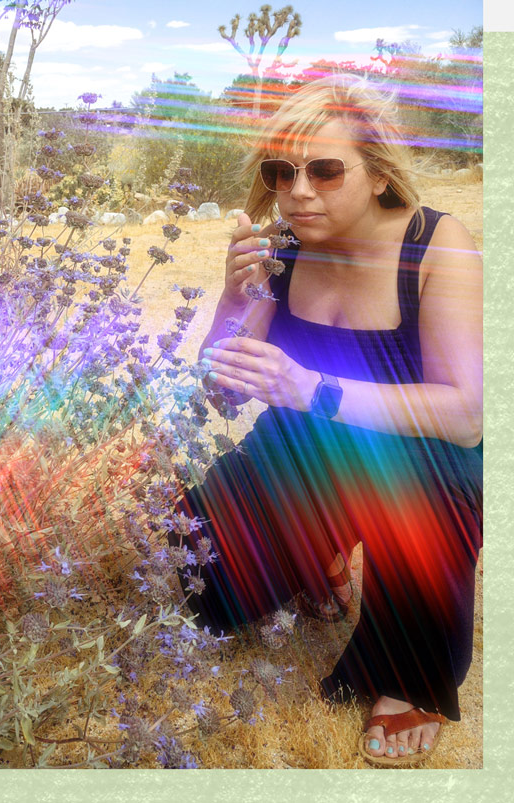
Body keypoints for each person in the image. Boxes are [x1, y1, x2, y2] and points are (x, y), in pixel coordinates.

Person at [168, 74, 482, 767]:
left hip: (417, 461)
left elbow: (464, 414)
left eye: (324, 170)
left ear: (376, 175)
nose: (297, 190)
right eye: (281, 172)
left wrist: (313, 388)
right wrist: (230, 298)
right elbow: (219, 391)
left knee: (432, 484)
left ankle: (408, 671)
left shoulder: (436, 245)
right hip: (305, 454)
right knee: (204, 594)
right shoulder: (282, 250)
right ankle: (324, 550)